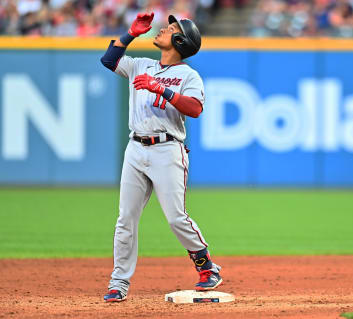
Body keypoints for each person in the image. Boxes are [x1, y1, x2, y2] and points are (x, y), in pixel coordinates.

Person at [100, 12, 222, 302]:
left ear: (180, 41)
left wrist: (162, 89)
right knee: (125, 219)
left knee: (176, 218)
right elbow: (109, 60)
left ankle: (207, 268)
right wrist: (130, 33)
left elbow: (194, 109)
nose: (162, 29)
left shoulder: (188, 75)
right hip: (135, 148)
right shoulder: (141, 64)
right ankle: (119, 282)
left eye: (170, 29)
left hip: (167, 149)